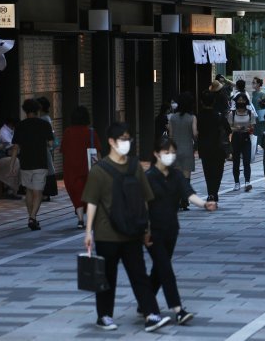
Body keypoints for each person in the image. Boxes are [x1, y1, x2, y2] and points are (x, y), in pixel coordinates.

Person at [82, 122, 171, 332]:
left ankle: (151, 314)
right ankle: (104, 315)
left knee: (139, 274)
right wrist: (88, 232)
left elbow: (146, 199)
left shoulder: (134, 166)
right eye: (122, 139)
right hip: (106, 234)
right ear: (111, 142)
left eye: (128, 139)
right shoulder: (99, 170)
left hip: (133, 230)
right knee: (107, 278)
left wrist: (147, 227)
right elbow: (92, 203)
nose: (127, 143)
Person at [143, 138, 216, 325]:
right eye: (167, 152)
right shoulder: (149, 177)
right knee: (166, 269)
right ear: (156, 154)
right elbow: (141, 205)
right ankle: (178, 310)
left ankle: (145, 301)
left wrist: (204, 204)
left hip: (171, 230)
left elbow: (189, 194)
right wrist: (145, 229)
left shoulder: (176, 176)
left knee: (159, 269)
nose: (171, 156)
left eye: (173, 152)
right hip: (153, 232)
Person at [9, 99, 54, 231]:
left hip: (25, 163)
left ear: (25, 111)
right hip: (40, 162)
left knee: (29, 191)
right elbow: (51, 144)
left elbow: (16, 147)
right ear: (38, 110)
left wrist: (11, 165)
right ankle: (33, 217)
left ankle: (31, 217)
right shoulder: (44, 124)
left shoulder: (20, 126)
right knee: (38, 191)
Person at [61, 106, 102, 229]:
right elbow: (98, 151)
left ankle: (80, 220)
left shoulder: (68, 132)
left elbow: (63, 150)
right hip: (88, 168)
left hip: (71, 169)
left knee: (76, 193)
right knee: (89, 193)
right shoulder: (90, 132)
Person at [197, 90, 231, 202]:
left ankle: (210, 193)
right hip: (219, 148)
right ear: (214, 102)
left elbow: (195, 132)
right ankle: (214, 193)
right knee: (218, 172)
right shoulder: (219, 116)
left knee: (208, 172)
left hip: (204, 148)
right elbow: (228, 130)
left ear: (202, 102)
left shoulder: (199, 116)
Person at [229, 93, 256, 192]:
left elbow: (253, 126)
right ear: (236, 101)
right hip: (236, 137)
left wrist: (249, 128)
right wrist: (236, 128)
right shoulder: (232, 114)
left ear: (246, 101)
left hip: (246, 137)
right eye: (239, 100)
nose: (241, 102)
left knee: (246, 161)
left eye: (243, 100)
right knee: (235, 162)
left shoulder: (250, 113)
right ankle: (236, 183)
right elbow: (229, 127)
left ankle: (247, 182)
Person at [168, 92, 197, 181]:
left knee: (176, 177)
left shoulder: (172, 117)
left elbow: (170, 135)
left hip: (175, 150)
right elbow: (195, 134)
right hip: (187, 149)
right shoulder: (192, 118)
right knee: (186, 178)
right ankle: (186, 194)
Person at [37, 96, 58, 201]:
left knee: (45, 169)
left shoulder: (43, 119)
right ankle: (46, 193)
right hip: (45, 148)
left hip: (43, 148)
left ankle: (45, 194)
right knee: (47, 169)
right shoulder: (47, 118)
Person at [251, 77, 265, 154]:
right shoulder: (253, 93)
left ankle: (264, 146)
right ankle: (256, 147)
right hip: (255, 115)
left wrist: (261, 101)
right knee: (255, 131)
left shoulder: (262, 94)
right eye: (253, 82)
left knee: (261, 131)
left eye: (254, 82)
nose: (253, 84)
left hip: (261, 115)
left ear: (258, 84)